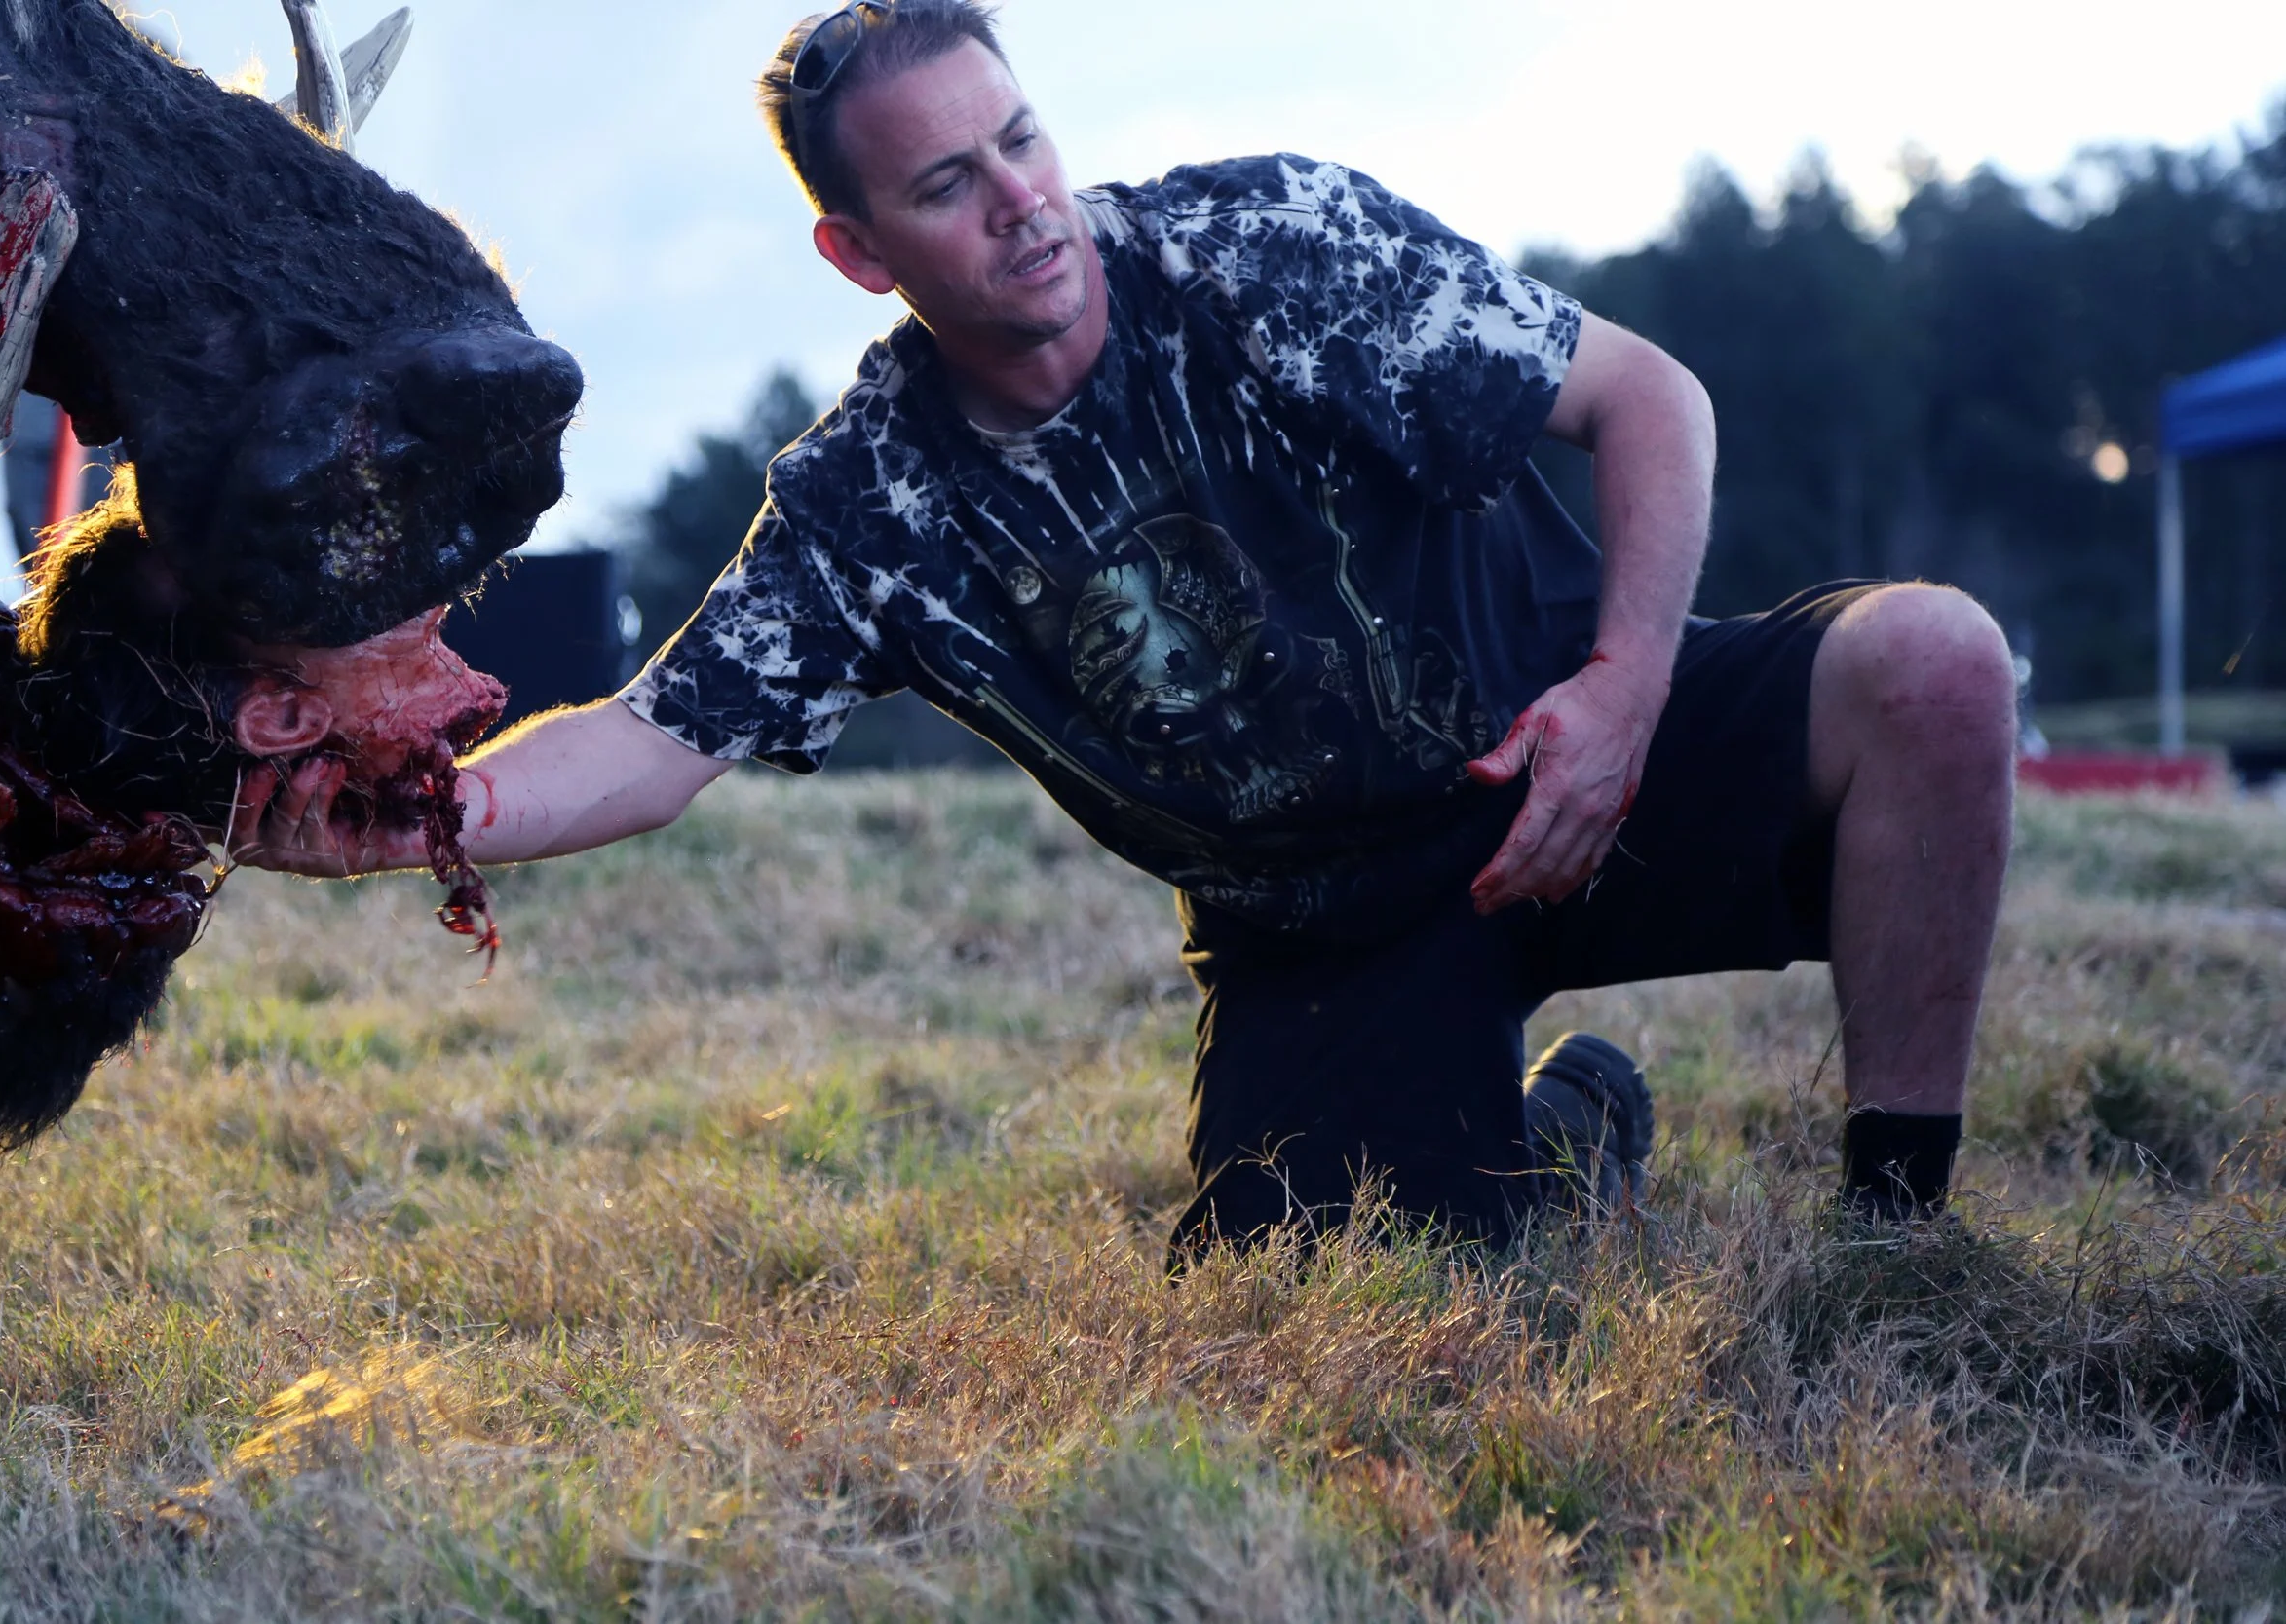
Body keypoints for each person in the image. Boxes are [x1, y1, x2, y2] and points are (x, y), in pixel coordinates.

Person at [231, 0, 2018, 1253]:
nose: (1022, 202)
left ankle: (1896, 1227)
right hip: (1330, 933)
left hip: (1579, 756)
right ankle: (1567, 1131)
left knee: (1936, 665)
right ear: (862, 254)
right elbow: (653, 736)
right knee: (1310, 1301)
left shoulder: (1270, 245)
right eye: (948, 184)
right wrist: (432, 810)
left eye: (1021, 138)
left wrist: (1626, 690)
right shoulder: (867, 499)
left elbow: (1649, 399)